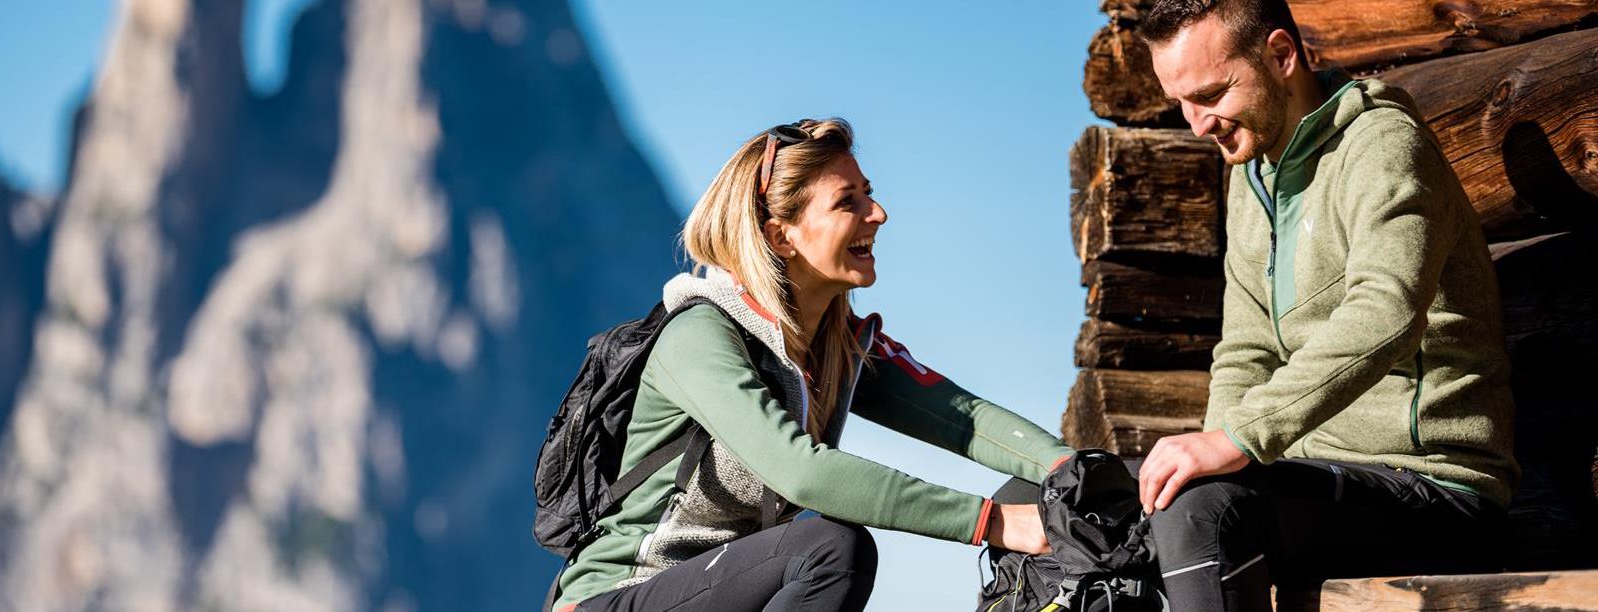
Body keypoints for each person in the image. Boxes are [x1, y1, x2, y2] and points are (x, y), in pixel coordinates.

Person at [549, 118, 1076, 612]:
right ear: (781, 235)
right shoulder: (698, 336)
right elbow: (800, 471)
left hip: (726, 589)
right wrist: (994, 522)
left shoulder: (837, 344)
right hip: (620, 594)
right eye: (849, 201)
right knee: (830, 548)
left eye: (869, 192)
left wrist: (1070, 469)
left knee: (1025, 491)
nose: (878, 213)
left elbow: (963, 418)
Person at [1130, 1, 1519, 609]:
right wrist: (1213, 453)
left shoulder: (1380, 143)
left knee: (1203, 515)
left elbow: (1385, 310)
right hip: (1310, 483)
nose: (1196, 123)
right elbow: (1245, 351)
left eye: (1209, 94)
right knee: (1064, 498)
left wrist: (1238, 437)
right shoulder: (1252, 174)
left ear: (1282, 56)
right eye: (1181, 101)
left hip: (1431, 488)